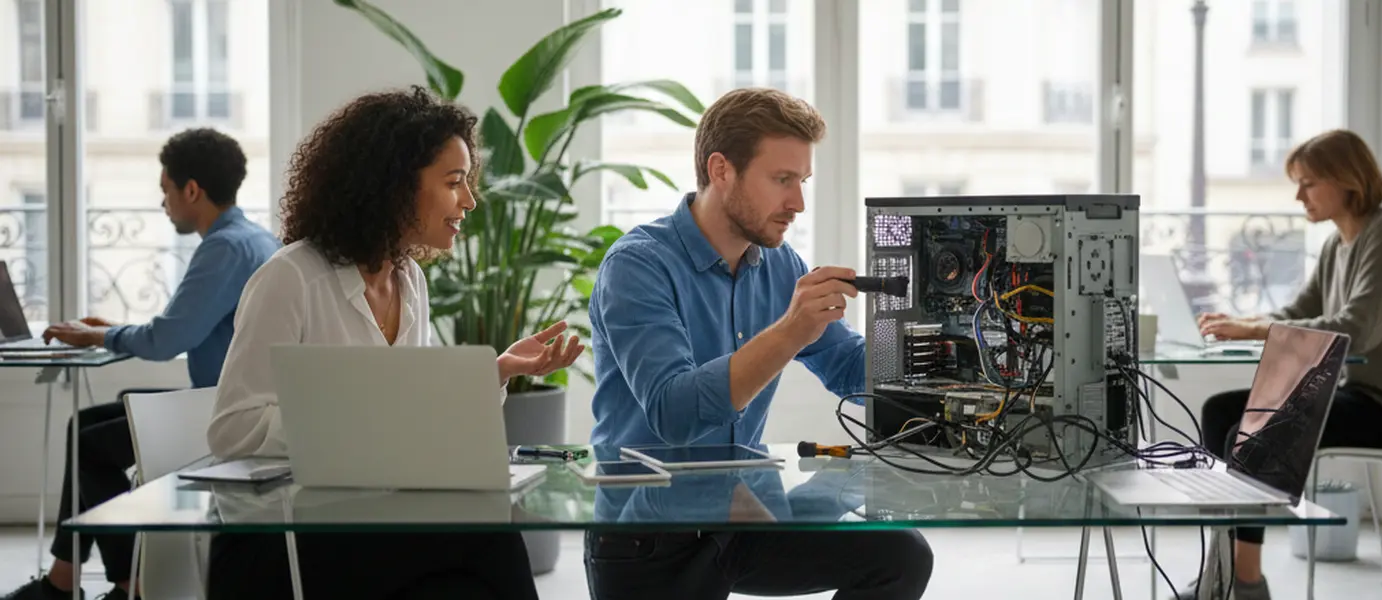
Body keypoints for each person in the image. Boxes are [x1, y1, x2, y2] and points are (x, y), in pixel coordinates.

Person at [203, 86, 581, 600]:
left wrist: (495, 372)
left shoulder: (410, 281)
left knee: (490, 542)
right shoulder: (290, 279)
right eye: (454, 183)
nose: (469, 200)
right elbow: (231, 429)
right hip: (287, 537)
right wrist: (360, 421)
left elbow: (413, 411)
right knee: (486, 549)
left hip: (374, 522)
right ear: (396, 187)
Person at [585, 87, 933, 600]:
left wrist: (939, 343)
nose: (797, 202)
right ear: (721, 169)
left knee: (900, 555)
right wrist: (791, 329)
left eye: (802, 181)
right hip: (648, 535)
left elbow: (846, 366)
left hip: (743, 518)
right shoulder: (637, 266)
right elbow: (673, 412)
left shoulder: (779, 264)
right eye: (782, 180)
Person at [3, 128, 280, 600]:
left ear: (191, 189)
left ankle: (124, 584)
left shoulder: (224, 247)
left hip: (217, 411)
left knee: (89, 442)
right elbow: (181, 328)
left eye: (165, 191)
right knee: (95, 423)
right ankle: (63, 580)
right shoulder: (249, 238)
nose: (164, 203)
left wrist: (98, 335)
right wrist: (110, 329)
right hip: (220, 400)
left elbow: (169, 339)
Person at [1183, 128, 1382, 600]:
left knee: (1257, 427)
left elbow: (1358, 328)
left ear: (1347, 180)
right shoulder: (1335, 244)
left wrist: (1257, 330)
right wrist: (1241, 321)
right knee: (1221, 410)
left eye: (1308, 182)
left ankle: (1245, 582)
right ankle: (1219, 571)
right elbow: (1297, 312)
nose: (1299, 195)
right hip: (1356, 394)